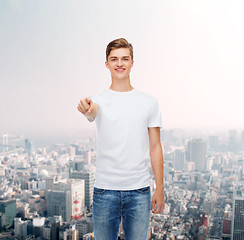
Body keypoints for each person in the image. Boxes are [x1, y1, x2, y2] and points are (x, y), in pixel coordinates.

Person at [77, 38, 165, 240]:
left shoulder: (149, 103)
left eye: (125, 58)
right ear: (106, 64)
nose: (120, 63)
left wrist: (160, 188)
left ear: (132, 63)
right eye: (114, 59)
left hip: (139, 191)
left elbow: (155, 147)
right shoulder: (98, 100)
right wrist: (86, 108)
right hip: (105, 191)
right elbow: (91, 112)